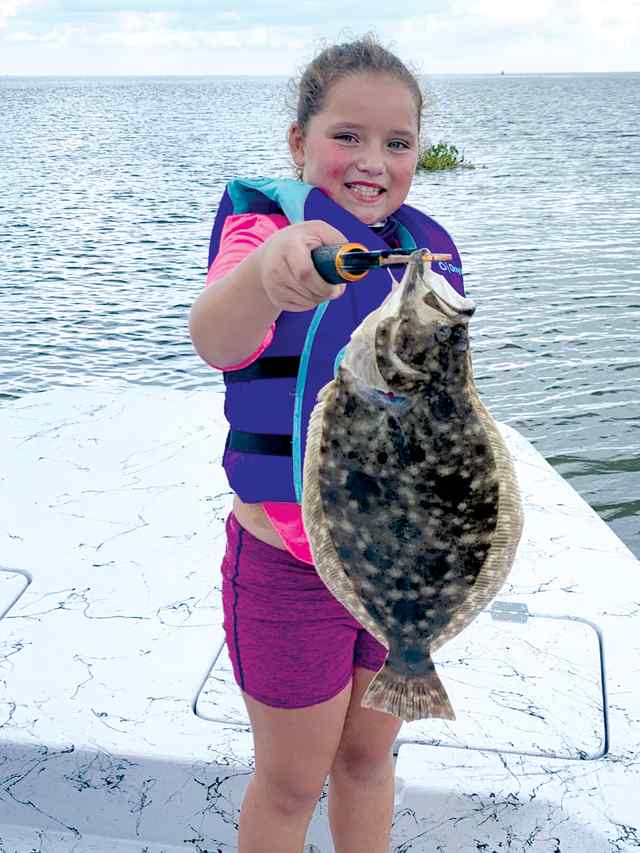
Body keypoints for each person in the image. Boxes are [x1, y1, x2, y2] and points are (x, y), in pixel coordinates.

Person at [189, 34, 464, 853]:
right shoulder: (270, 235)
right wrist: (268, 276)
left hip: (394, 567)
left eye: (398, 142)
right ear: (299, 142)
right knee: (290, 781)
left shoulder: (423, 255)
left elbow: (448, 420)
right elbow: (216, 335)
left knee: (369, 761)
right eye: (346, 135)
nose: (371, 160)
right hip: (288, 570)